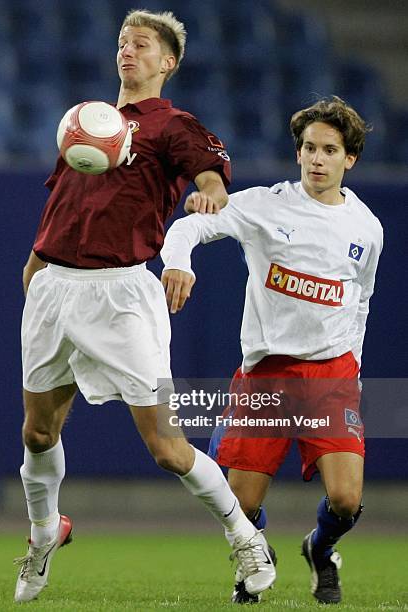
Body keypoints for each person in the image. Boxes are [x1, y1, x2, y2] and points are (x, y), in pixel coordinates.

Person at [15, 9, 275, 604]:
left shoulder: (174, 125)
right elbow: (62, 201)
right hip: (55, 284)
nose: (127, 52)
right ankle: (42, 535)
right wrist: (35, 262)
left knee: (164, 446)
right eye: (122, 43)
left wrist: (210, 197)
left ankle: (244, 536)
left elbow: (211, 178)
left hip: (123, 294)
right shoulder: (85, 122)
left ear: (168, 61)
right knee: (36, 432)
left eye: (142, 45)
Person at [161, 96, 383, 604]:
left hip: (332, 377)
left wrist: (354, 365)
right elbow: (190, 226)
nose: (317, 159)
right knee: (238, 503)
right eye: (308, 148)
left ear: (350, 158)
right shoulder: (264, 205)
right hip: (267, 376)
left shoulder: (367, 228)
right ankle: (255, 550)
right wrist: (179, 263)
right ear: (298, 152)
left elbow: (362, 300)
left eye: (330, 150)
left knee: (346, 500)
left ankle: (320, 547)